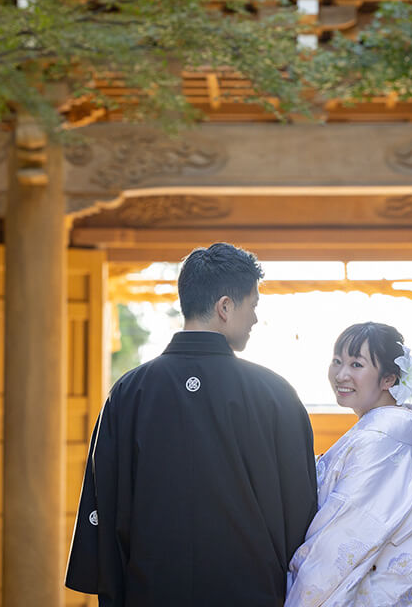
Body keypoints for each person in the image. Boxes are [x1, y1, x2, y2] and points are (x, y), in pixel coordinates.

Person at [66, 242, 318, 606]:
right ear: (226, 307)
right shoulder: (275, 394)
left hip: (151, 590)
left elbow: (104, 500)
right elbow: (301, 512)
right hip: (251, 593)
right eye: (253, 306)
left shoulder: (129, 392)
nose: (255, 319)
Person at [285, 321, 412, 607]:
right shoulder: (395, 443)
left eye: (356, 364)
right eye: (337, 361)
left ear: (388, 379)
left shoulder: (375, 445)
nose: (341, 374)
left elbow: (335, 552)